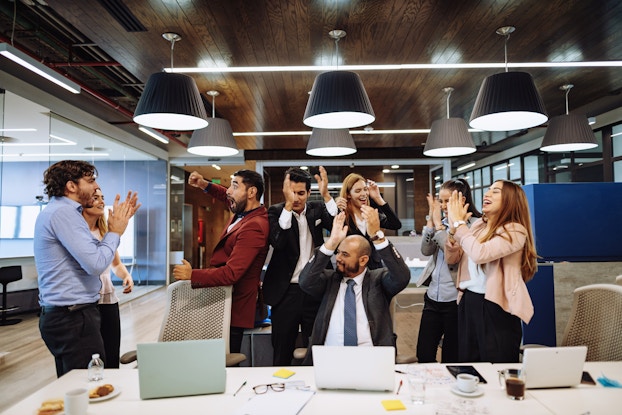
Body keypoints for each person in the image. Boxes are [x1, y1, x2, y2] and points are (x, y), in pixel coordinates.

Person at [34, 160, 139, 377]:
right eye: (91, 181)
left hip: (74, 314)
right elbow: (96, 264)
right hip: (72, 317)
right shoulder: (63, 213)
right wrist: (116, 231)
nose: (95, 187)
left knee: (77, 384)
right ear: (71, 186)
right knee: (89, 385)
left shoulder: (64, 212)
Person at [173, 170, 269, 354]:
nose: (228, 191)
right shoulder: (245, 210)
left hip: (234, 305)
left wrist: (192, 275)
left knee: (225, 360)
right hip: (224, 299)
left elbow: (232, 273)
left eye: (235, 186)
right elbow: (224, 195)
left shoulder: (254, 226)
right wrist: (204, 184)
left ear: (251, 192)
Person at [298, 210, 410, 365]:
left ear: (363, 260)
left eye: (345, 254)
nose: (337, 258)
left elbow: (401, 276)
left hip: (371, 359)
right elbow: (305, 281)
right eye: (337, 253)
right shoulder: (329, 281)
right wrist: (331, 243)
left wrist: (378, 237)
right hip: (329, 358)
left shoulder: (378, 281)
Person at [445, 180, 537, 363]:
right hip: (469, 301)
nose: (487, 194)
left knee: (496, 364)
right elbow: (452, 259)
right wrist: (453, 231)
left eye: (495, 191)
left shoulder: (515, 230)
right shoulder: (479, 225)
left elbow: (480, 254)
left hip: (495, 306)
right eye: (487, 190)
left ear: (511, 200)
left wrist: (460, 224)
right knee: (468, 364)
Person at [262, 166, 338, 366]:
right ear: (285, 191)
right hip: (286, 291)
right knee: (282, 349)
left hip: (315, 288)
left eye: (301, 193)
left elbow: (337, 222)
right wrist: (287, 207)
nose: (296, 198)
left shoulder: (317, 209)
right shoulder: (275, 211)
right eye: (291, 193)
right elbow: (277, 241)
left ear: (309, 193)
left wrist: (326, 196)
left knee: (317, 348)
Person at [416, 179, 481, 363]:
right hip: (433, 298)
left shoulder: (475, 225)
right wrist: (431, 220)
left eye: (447, 201)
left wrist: (438, 226)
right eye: (441, 201)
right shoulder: (440, 222)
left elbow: (456, 255)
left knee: (452, 357)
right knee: (424, 353)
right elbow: (426, 251)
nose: (444, 206)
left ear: (461, 199)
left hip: (456, 299)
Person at [82, 188, 134, 368]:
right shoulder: (77, 234)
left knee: (111, 352)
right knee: (92, 354)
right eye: (95, 198)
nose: (101, 202)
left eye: (102, 198)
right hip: (87, 300)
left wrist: (126, 275)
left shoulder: (105, 232)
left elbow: (116, 264)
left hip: (108, 299)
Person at [335, 173, 402, 269]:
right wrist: (335, 210)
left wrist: (378, 198)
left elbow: (396, 224)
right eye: (358, 191)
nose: (364, 194)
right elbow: (335, 247)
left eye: (365, 189)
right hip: (351, 269)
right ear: (349, 194)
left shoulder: (371, 214)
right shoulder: (342, 216)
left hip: (374, 269)